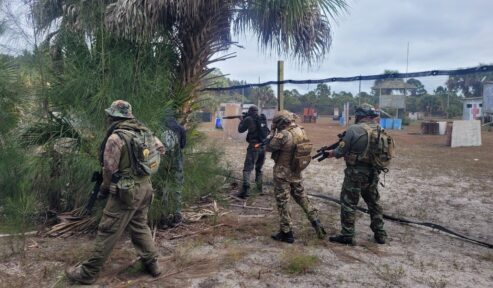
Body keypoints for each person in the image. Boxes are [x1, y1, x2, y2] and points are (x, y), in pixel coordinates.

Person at [66, 100, 165, 284]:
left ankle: (87, 273)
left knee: (108, 230)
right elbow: (161, 150)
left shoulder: (116, 138)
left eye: (109, 116)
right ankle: (153, 265)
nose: (107, 119)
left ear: (113, 117)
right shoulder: (145, 131)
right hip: (145, 188)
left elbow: (109, 170)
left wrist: (105, 189)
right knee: (140, 226)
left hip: (126, 192)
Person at [324, 103, 388, 245]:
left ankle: (347, 235)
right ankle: (380, 234)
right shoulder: (380, 129)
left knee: (348, 203)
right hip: (373, 172)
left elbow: (340, 152)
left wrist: (330, 153)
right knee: (374, 203)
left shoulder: (354, 129)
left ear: (360, 115)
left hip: (355, 174)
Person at [266, 110, 326, 243]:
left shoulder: (283, 134)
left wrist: (271, 132)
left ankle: (286, 233)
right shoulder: (301, 130)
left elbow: (269, 147)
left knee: (283, 202)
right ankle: (316, 222)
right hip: (296, 171)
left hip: (282, 173)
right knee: (302, 197)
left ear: (281, 122)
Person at [159, 110, 187, 227]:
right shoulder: (180, 129)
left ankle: (164, 219)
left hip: (163, 165)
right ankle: (177, 216)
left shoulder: (160, 129)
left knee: (164, 190)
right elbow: (182, 145)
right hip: (177, 164)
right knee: (177, 189)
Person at [237, 105, 268, 198]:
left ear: (250, 111)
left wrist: (242, 120)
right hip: (263, 146)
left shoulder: (249, 119)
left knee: (247, 169)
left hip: (254, 147)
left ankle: (246, 191)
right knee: (259, 169)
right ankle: (259, 189)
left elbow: (240, 130)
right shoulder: (261, 118)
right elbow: (267, 131)